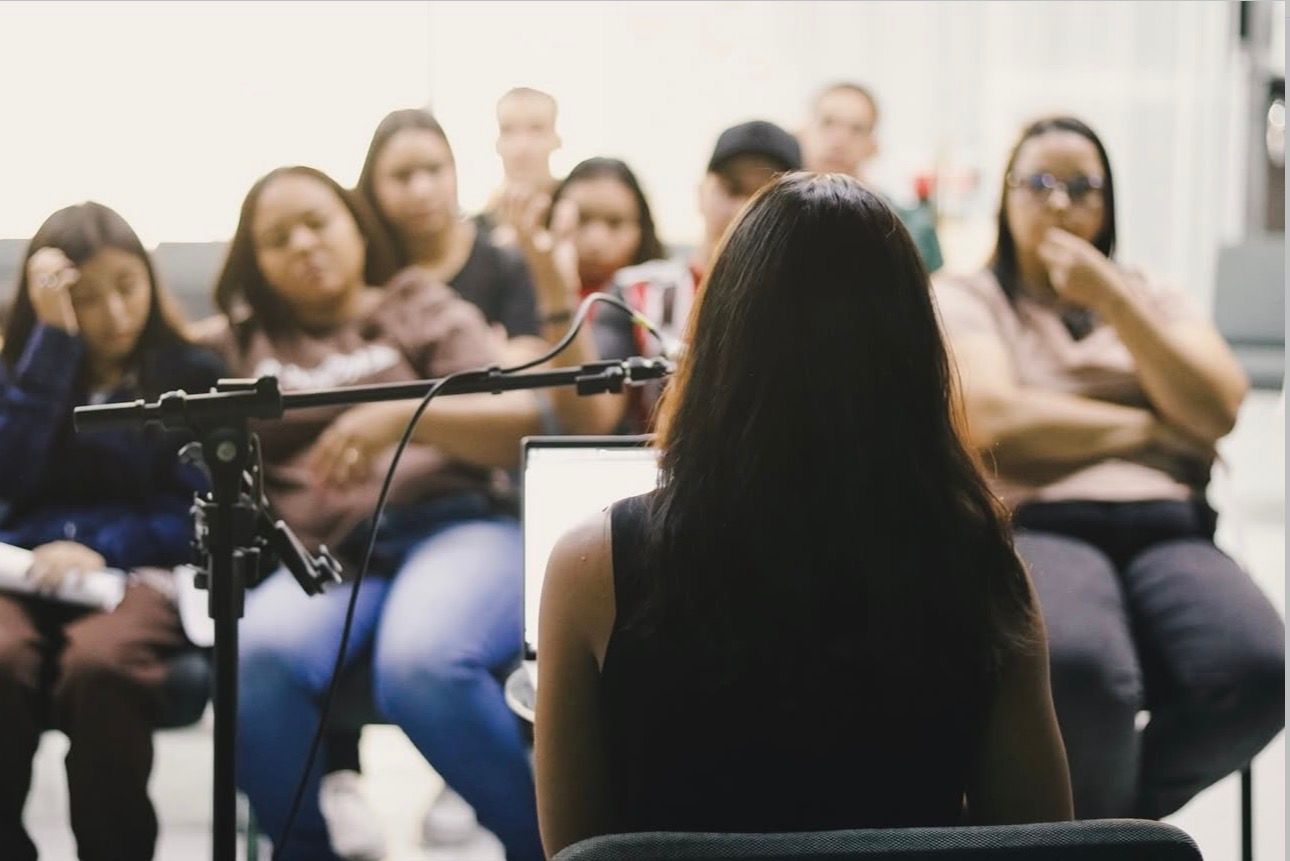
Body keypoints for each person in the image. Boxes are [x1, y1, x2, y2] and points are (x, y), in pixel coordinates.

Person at [535, 173, 1074, 856]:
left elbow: (575, 853)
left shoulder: (593, 566)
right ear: (912, 356)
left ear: (720, 343)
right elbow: (1039, 841)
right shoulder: (981, 567)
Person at [934, 116, 1285, 819]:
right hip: (1038, 522)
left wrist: (1113, 299)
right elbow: (995, 421)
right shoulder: (967, 295)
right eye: (1037, 183)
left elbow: (1216, 405)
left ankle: (1109, 824)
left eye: (1081, 187)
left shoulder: (1149, 291)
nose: (1059, 203)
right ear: (1004, 197)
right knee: (1085, 673)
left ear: (1109, 203)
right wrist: (1156, 428)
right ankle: (1101, 833)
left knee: (1256, 671)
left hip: (1171, 525)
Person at [212, 165, 544, 861]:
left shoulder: (416, 302)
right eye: (277, 238)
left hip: (456, 527)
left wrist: (396, 417)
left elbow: (515, 418)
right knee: (254, 655)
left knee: (422, 661)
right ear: (256, 262)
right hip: (331, 557)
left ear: (356, 226)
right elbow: (143, 324)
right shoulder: (242, 343)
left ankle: (553, 847)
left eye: (318, 222)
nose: (303, 244)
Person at [0, 202, 222, 861]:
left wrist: (96, 546)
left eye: (127, 287)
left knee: (100, 665)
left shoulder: (191, 373)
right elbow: (7, 479)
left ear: (151, 280)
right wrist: (52, 349)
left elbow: (194, 511)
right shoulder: (26, 369)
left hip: (137, 570)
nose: (115, 314)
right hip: (23, 571)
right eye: (87, 299)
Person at [510, 120, 801, 436]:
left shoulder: (813, 300)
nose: (744, 208)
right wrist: (557, 290)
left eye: (766, 194)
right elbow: (590, 420)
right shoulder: (636, 292)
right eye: (731, 189)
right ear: (702, 192)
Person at [356, 108, 541, 358]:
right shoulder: (359, 271)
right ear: (373, 185)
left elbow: (534, 362)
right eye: (402, 176)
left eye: (433, 170)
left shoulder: (504, 264)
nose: (421, 190)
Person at [799, 81, 944, 273]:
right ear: (802, 131)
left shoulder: (906, 227)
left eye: (857, 129)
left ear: (873, 146)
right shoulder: (769, 212)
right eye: (827, 122)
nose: (839, 140)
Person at [478, 87, 563, 245]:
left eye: (536, 129)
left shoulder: (578, 210)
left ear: (557, 139)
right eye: (508, 130)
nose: (521, 146)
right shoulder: (477, 231)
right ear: (497, 143)